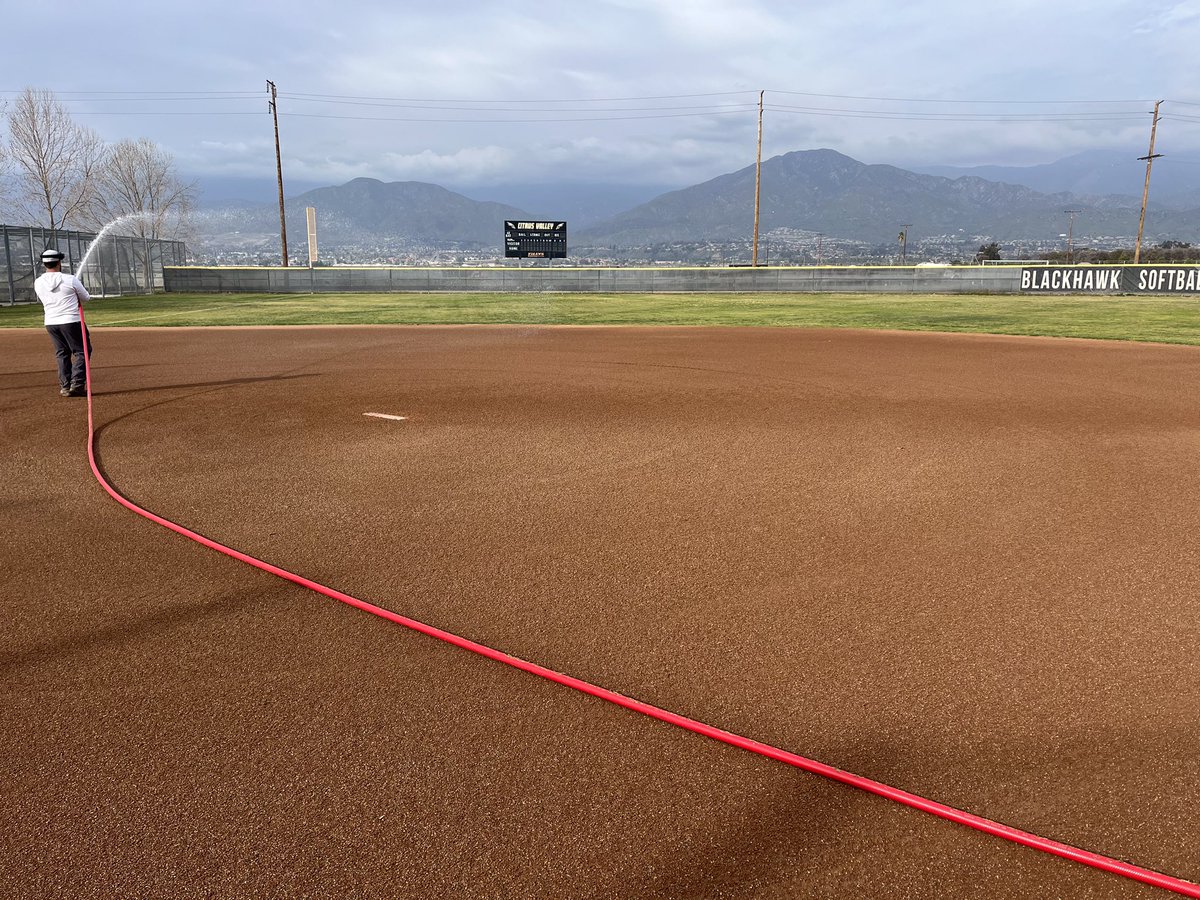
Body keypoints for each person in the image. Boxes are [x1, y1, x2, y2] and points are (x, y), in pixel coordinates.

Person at [34, 248, 93, 397]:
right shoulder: (70, 279)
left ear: (44, 264)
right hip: (71, 320)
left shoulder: (38, 282)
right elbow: (85, 297)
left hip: (51, 322)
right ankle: (77, 383)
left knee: (62, 353)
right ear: (59, 262)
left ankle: (65, 386)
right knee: (82, 351)